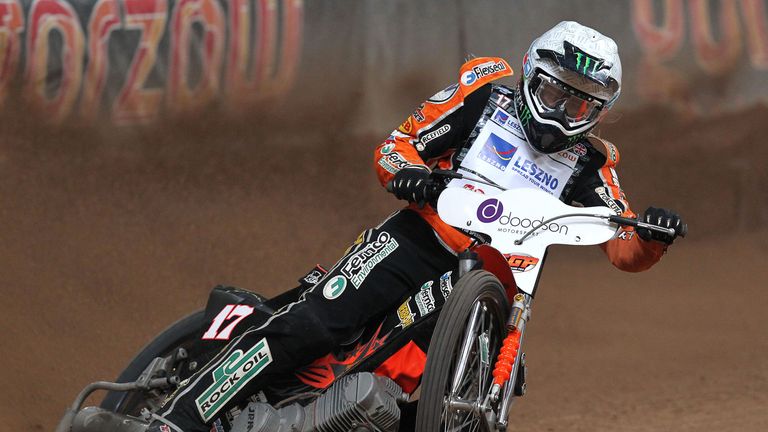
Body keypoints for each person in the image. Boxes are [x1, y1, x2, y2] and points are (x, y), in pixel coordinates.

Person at [148, 21, 685, 431]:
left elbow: (622, 241)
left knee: (417, 401)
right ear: (529, 75)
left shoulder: (593, 164)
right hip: (418, 239)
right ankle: (178, 416)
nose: (562, 112)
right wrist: (413, 178)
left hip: (498, 284)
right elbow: (396, 145)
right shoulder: (487, 93)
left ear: (599, 110)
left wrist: (652, 237)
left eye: (579, 103)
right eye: (553, 94)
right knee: (317, 324)